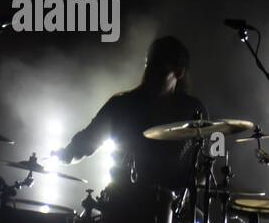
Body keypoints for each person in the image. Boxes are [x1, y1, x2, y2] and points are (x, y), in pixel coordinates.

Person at [52, 36, 207, 190]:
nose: (151, 74)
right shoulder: (121, 106)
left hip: (172, 207)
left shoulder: (193, 111)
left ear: (179, 72)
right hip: (123, 200)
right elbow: (87, 141)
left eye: (160, 69)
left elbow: (205, 165)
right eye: (150, 65)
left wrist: (191, 187)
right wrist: (65, 154)